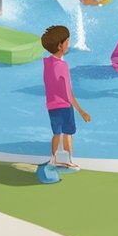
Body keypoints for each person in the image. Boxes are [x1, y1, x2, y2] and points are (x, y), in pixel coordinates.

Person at [42, 25, 91, 169]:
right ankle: (68, 160)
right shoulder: (63, 66)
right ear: (60, 45)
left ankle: (53, 159)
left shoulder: (47, 63)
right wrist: (82, 112)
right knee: (68, 133)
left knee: (56, 133)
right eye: (67, 42)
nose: (69, 44)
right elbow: (68, 93)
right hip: (64, 105)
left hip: (51, 105)